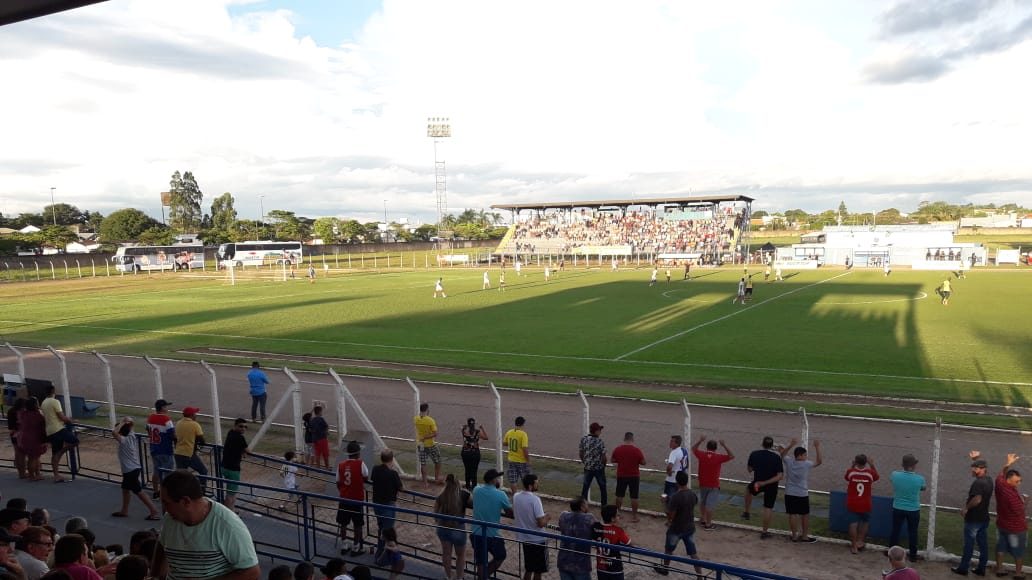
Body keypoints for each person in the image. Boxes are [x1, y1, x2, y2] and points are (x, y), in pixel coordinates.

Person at [150, 470, 259, 580]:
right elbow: (161, 546)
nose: (163, 508)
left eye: (166, 503)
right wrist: (153, 576)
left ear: (186, 501)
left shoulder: (227, 525)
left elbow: (251, 572)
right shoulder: (170, 518)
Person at [111, 417, 161, 520]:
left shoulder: (124, 441)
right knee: (125, 490)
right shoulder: (131, 435)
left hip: (130, 470)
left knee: (139, 491)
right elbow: (131, 423)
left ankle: (154, 511)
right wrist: (126, 422)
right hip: (133, 469)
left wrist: (122, 422)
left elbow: (114, 433)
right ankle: (124, 510)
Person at [654, 471, 702, 577]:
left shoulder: (676, 497)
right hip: (689, 528)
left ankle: (665, 569)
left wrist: (664, 503)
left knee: (668, 550)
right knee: (693, 553)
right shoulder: (692, 494)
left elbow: (670, 515)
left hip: (676, 529)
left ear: (677, 482)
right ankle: (700, 575)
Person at [951, 451, 992, 576]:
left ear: (981, 469)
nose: (972, 470)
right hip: (984, 518)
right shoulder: (989, 480)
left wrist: (966, 508)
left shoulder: (978, 483)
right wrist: (976, 459)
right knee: (983, 545)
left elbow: (977, 499)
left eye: (975, 468)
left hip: (974, 519)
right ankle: (981, 569)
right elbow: (983, 467)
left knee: (968, 545)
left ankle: (963, 568)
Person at [471, 469, 512, 580]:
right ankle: (485, 575)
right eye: (498, 478)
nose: (499, 480)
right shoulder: (501, 494)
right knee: (501, 555)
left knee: (480, 562)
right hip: (492, 534)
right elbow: (510, 512)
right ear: (493, 480)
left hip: (475, 532)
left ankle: (482, 577)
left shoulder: (476, 490)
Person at [780, 438, 822, 543]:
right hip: (802, 493)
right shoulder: (806, 464)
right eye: (805, 455)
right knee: (805, 515)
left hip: (790, 492)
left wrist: (791, 445)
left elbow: (782, 454)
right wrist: (817, 447)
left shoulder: (789, 462)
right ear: (800, 455)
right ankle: (804, 536)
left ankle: (794, 536)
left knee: (792, 514)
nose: (806, 456)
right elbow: (819, 462)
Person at [742, 435, 784, 539]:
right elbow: (780, 476)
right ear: (772, 445)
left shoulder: (754, 454)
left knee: (748, 489)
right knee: (768, 508)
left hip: (757, 484)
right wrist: (765, 482)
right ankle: (764, 532)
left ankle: (746, 512)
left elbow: (750, 469)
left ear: (762, 444)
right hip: (771, 486)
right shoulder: (776, 457)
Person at [993, 453, 1026, 578]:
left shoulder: (1000, 483)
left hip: (1002, 525)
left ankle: (999, 569)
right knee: (1018, 551)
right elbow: (1019, 511)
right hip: (1016, 528)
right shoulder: (1012, 496)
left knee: (1001, 547)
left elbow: (1001, 473)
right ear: (1009, 480)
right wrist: (1025, 502)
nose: (1019, 483)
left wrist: (1008, 463)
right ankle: (1018, 573)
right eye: (1017, 481)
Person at [889, 453, 926, 562]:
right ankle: (913, 555)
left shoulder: (895, 475)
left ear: (903, 465)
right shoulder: (920, 479)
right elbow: (923, 488)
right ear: (913, 465)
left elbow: (892, 481)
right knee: (913, 532)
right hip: (913, 509)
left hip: (898, 507)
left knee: (896, 530)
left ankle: (892, 553)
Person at [433, 474, 471, 580]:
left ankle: (448, 576)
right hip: (458, 529)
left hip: (443, 528)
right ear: (458, 482)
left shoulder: (441, 495)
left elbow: (435, 515)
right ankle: (459, 577)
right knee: (460, 555)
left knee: (446, 554)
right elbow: (473, 504)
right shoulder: (464, 494)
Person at [691, 435, 734, 530]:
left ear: (707, 447)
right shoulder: (718, 457)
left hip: (703, 483)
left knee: (703, 502)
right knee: (709, 505)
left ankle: (703, 519)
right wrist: (724, 445)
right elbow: (732, 456)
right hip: (713, 485)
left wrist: (700, 440)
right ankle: (708, 524)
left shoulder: (702, 455)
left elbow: (693, 449)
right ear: (716, 448)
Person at [513, 474, 550, 580]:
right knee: (538, 571)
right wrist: (547, 517)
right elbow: (541, 523)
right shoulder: (535, 499)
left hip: (525, 538)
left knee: (529, 568)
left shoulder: (516, 496)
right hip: (537, 540)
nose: (538, 485)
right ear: (530, 486)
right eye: (536, 483)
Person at [336, 441, 369, 557]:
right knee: (358, 524)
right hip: (357, 499)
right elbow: (366, 476)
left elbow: (338, 482)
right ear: (358, 453)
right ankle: (356, 547)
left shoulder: (341, 465)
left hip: (344, 499)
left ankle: (344, 545)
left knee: (343, 523)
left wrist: (343, 491)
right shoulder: (361, 464)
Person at [370, 449, 404, 560]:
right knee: (388, 532)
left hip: (376, 504)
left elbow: (374, 479)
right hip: (388, 505)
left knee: (382, 528)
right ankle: (384, 557)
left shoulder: (375, 469)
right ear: (392, 459)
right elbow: (401, 488)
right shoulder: (393, 473)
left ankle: (380, 553)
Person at [844, 453, 879, 554]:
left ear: (856, 462)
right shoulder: (869, 473)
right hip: (865, 503)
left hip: (853, 503)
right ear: (865, 463)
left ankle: (854, 546)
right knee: (865, 522)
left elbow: (846, 477)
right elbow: (877, 477)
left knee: (853, 524)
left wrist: (852, 466)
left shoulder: (851, 472)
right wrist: (872, 464)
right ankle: (860, 541)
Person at [41, 385, 76, 483]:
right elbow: (61, 417)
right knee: (74, 441)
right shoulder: (55, 401)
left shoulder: (43, 403)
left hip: (50, 431)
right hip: (58, 429)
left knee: (55, 452)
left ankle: (56, 475)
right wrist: (71, 420)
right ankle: (60, 454)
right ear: (53, 391)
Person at [557, 497, 596, 580]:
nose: (588, 506)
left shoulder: (563, 516)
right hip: (581, 565)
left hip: (564, 562)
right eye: (586, 505)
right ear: (582, 506)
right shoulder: (589, 518)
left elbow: (561, 526)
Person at [610, 432, 646, 522]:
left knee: (619, 495)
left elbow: (612, 460)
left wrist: (621, 460)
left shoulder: (618, 449)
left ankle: (617, 513)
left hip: (621, 475)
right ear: (632, 439)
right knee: (634, 496)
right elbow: (643, 462)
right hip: (634, 476)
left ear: (624, 438)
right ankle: (634, 516)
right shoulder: (637, 450)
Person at [145, 399, 176, 498]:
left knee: (156, 471)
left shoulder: (151, 417)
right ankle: (166, 495)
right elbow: (172, 435)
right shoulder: (166, 419)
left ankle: (156, 492)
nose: (167, 408)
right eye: (166, 406)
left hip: (154, 448)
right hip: (165, 450)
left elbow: (148, 429)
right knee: (168, 474)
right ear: (162, 408)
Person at [173, 407, 208, 486]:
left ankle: (181, 491)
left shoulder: (178, 423)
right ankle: (201, 490)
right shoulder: (195, 424)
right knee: (203, 471)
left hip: (178, 453)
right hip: (189, 453)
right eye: (195, 414)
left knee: (181, 476)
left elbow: (175, 438)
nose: (196, 415)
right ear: (192, 415)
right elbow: (202, 440)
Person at [595, 504, 630, 580]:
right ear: (613, 519)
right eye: (618, 515)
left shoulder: (595, 526)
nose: (619, 517)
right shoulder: (618, 530)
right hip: (615, 568)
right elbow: (628, 543)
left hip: (601, 567)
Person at [221, 418, 249, 511]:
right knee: (231, 494)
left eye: (245, 427)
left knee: (230, 493)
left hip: (224, 466)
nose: (243, 428)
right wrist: (244, 452)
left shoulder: (231, 432)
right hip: (233, 469)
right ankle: (229, 513)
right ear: (235, 426)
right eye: (241, 426)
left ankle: (231, 511)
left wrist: (242, 451)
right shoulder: (240, 438)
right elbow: (248, 451)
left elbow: (236, 447)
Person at [16, 397, 47, 481]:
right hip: (35, 438)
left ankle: (35, 474)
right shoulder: (38, 415)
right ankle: (32, 476)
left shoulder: (24, 414)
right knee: (33, 458)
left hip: (24, 438)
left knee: (33, 457)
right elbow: (43, 426)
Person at [579, 422, 607, 506]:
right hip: (598, 468)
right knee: (602, 487)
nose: (600, 432)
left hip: (588, 467)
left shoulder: (584, 439)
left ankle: (582, 506)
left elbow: (581, 453)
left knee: (585, 487)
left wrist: (585, 462)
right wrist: (604, 465)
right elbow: (604, 457)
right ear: (596, 431)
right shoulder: (599, 441)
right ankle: (604, 506)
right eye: (599, 430)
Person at [414, 403, 442, 487]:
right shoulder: (430, 420)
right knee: (438, 461)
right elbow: (435, 434)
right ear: (427, 410)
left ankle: (425, 483)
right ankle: (436, 478)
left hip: (421, 444)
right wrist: (426, 437)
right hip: (430, 444)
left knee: (423, 463)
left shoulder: (416, 419)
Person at [503, 416, 530, 494]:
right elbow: (525, 449)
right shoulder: (523, 434)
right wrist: (528, 460)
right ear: (523, 424)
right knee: (525, 479)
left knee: (513, 480)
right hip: (521, 461)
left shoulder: (509, 432)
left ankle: (515, 495)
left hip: (511, 460)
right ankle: (526, 495)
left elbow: (504, 443)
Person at [460, 418, 488, 491]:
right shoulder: (477, 432)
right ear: (474, 424)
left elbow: (462, 428)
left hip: (465, 452)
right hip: (475, 453)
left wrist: (465, 427)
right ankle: (474, 487)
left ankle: (467, 486)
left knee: (467, 470)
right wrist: (482, 428)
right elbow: (486, 437)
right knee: (474, 471)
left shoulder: (464, 431)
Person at [663, 435, 689, 503]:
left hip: (671, 481)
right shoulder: (684, 451)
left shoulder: (674, 452)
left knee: (668, 501)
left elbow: (669, 466)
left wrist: (668, 472)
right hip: (681, 480)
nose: (670, 443)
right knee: (679, 501)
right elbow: (687, 464)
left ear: (677, 443)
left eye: (672, 441)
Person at [8, 398, 27, 479]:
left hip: (13, 434)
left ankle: (20, 473)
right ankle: (23, 473)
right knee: (22, 455)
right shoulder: (22, 412)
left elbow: (10, 426)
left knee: (17, 453)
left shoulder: (10, 411)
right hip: (20, 434)